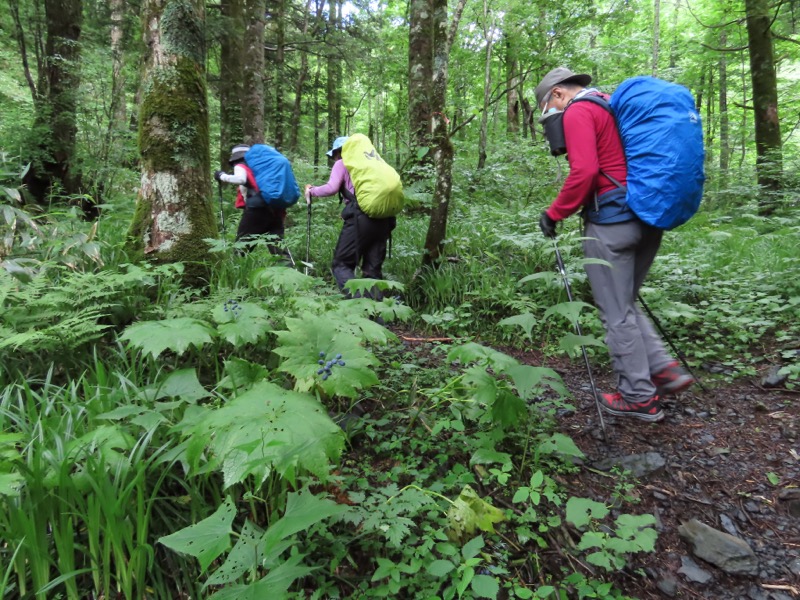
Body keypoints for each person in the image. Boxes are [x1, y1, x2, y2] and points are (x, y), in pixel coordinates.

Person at [534, 67, 694, 422]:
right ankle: (662, 369)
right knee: (625, 302)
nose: (551, 116)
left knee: (615, 311)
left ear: (558, 94)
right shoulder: (610, 105)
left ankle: (638, 397)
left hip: (611, 223)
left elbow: (585, 172)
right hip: (648, 216)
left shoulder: (578, 111)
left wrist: (554, 213)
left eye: (548, 108)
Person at [305, 136, 396, 298]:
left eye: (334, 155)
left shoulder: (343, 162)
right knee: (372, 271)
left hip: (361, 217)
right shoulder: (374, 162)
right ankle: (378, 319)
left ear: (340, 152)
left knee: (341, 265)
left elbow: (331, 188)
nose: (334, 159)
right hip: (385, 219)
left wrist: (311, 190)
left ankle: (360, 307)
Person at [214, 144, 287, 256]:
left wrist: (222, 176)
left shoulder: (241, 165)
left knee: (241, 247)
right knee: (278, 247)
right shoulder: (262, 167)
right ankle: (290, 270)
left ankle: (235, 271)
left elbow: (241, 179)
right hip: (275, 208)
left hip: (257, 210)